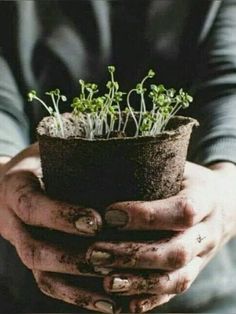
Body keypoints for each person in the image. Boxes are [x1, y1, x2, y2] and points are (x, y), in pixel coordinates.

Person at [0, 0, 236, 313]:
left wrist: (227, 182)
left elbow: (228, 82)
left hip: (198, 292)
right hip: (25, 291)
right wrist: (4, 172)